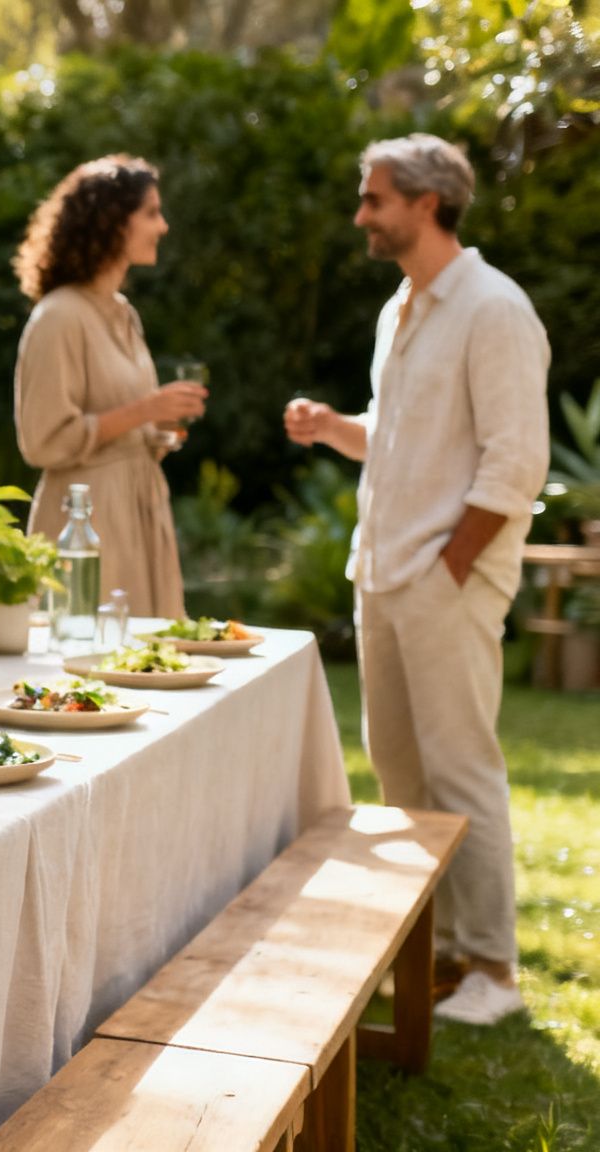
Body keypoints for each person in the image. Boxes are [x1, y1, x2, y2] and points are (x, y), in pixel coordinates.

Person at [284, 135, 549, 1026]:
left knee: (461, 765)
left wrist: (453, 563)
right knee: (399, 771)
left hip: (444, 577)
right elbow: (401, 435)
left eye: (375, 198)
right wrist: (333, 427)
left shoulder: (493, 309)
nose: (361, 214)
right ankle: (429, 951)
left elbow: (516, 462)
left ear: (427, 203)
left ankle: (495, 971)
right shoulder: (401, 308)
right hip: (383, 571)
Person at [10, 155, 204, 618]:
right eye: (152, 213)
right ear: (114, 223)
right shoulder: (58, 317)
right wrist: (144, 410)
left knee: (152, 670)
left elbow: (123, 419)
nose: (164, 226)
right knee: (93, 673)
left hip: (139, 510)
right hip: (86, 526)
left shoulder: (122, 312)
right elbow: (42, 441)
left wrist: (161, 430)